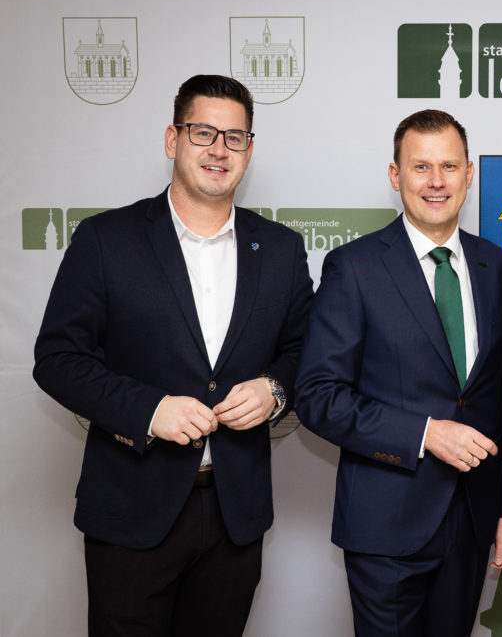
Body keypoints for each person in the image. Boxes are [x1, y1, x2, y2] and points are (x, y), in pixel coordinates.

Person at [33, 74, 314, 636]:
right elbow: (58, 358)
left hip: (235, 517)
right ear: (173, 139)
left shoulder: (281, 249)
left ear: (249, 150)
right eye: (203, 132)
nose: (219, 149)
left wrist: (274, 390)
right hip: (131, 511)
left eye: (234, 137)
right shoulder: (105, 239)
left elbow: (304, 351)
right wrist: (148, 409)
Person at [294, 109, 502, 637]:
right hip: (385, 525)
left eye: (449, 166)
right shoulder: (354, 268)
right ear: (395, 175)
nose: (436, 181)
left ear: (469, 174)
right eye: (421, 167)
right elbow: (317, 396)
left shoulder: (497, 267)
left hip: (474, 520)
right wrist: (425, 434)